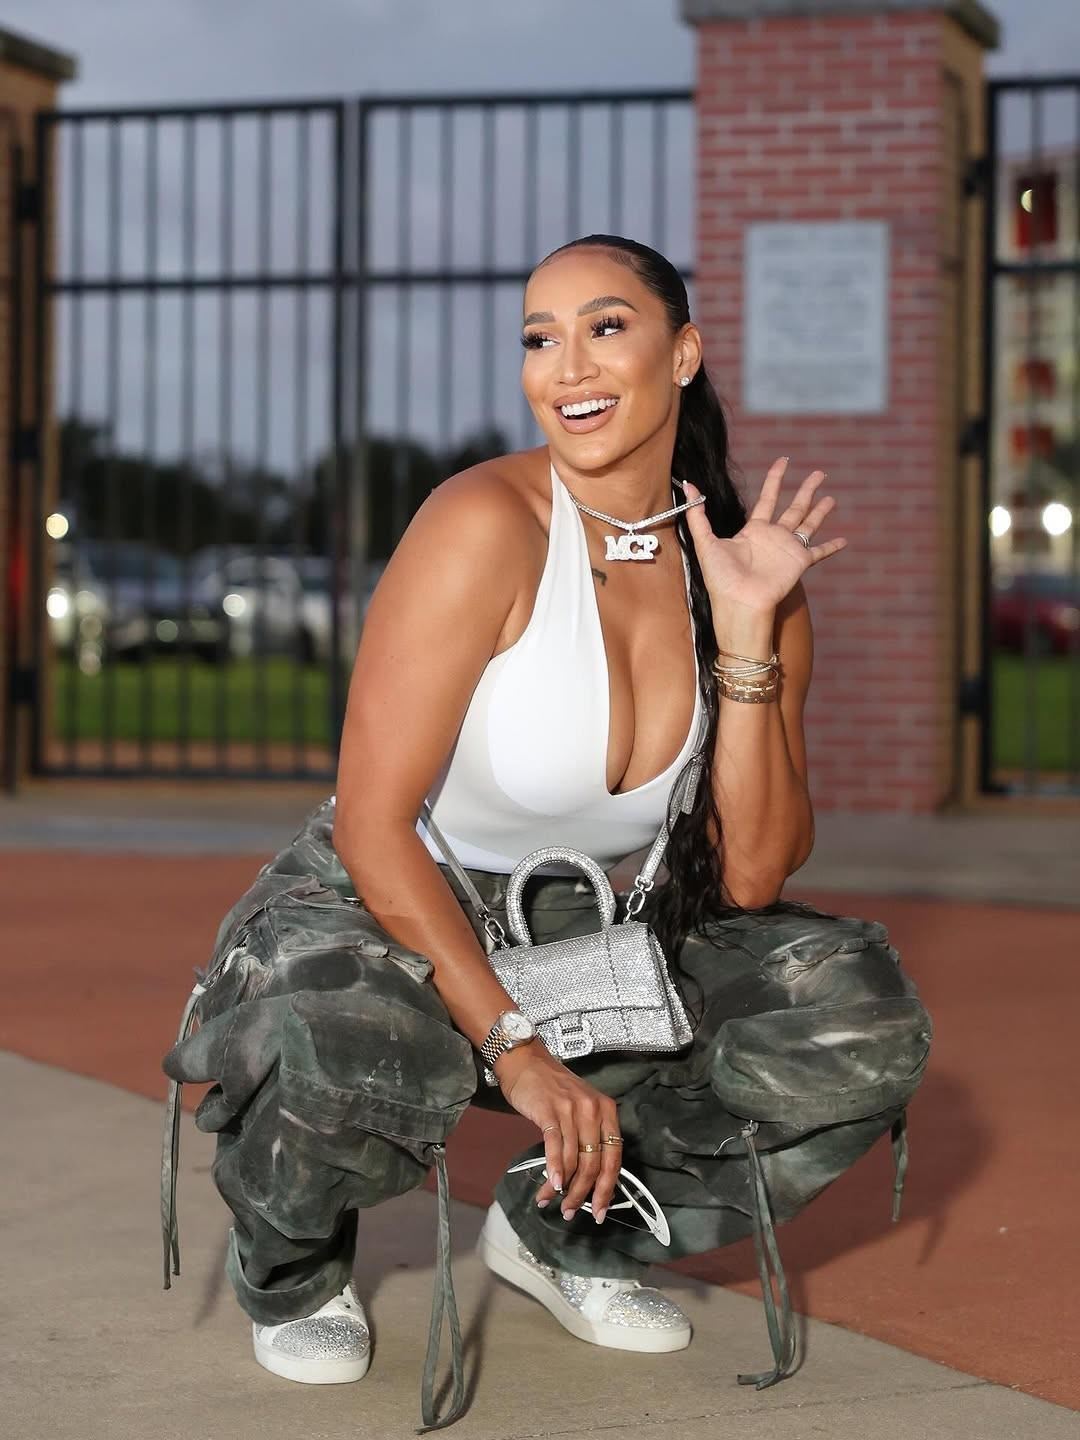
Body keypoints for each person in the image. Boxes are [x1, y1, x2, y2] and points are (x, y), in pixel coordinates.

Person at [162, 233, 929, 1429]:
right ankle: (294, 1267)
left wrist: (744, 635)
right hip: (390, 893)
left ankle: (564, 1230)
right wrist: (517, 1050)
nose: (565, 365)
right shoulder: (484, 522)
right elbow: (374, 822)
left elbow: (752, 872)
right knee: (333, 1039)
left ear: (684, 353)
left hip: (590, 912)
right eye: (539, 337)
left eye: (605, 326)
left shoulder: (745, 569)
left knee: (854, 1014)